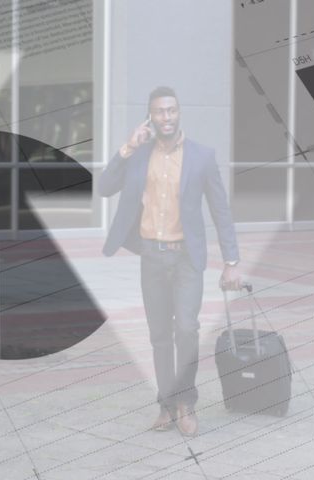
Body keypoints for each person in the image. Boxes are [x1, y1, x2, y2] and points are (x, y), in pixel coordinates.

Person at [97, 86, 242, 437]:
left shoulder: (201, 157)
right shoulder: (139, 154)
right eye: (160, 111)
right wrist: (128, 146)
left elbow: (221, 211)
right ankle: (166, 405)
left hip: (186, 258)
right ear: (151, 117)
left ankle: (186, 403)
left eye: (171, 110)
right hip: (152, 256)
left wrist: (232, 260)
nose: (167, 117)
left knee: (187, 329)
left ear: (179, 113)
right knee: (160, 335)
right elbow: (104, 187)